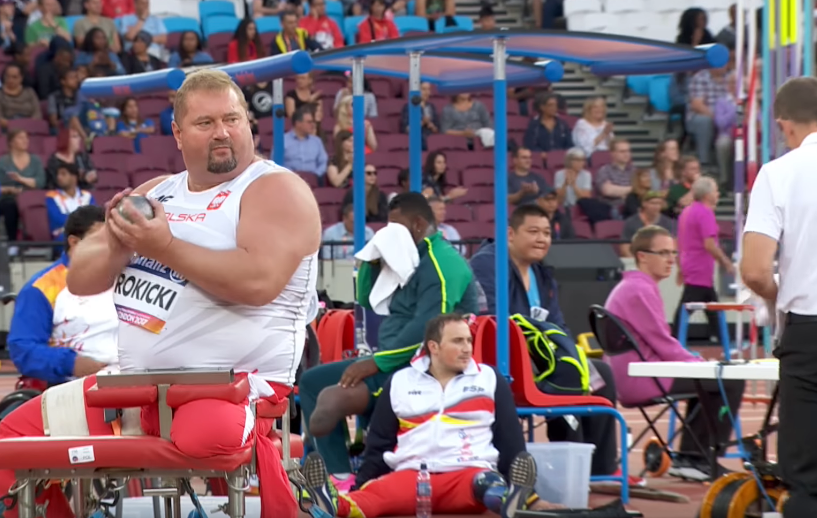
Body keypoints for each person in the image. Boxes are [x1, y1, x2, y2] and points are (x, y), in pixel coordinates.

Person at [0, 69, 321, 518]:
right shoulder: (156, 192)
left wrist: (161, 245)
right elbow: (80, 278)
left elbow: (257, 283)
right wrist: (117, 243)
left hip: (229, 389)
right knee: (13, 438)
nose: (222, 132)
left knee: (206, 437)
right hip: (132, 391)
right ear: (178, 134)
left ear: (248, 122)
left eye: (232, 119)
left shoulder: (274, 189)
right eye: (206, 123)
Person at [300, 192, 477, 491]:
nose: (390, 233)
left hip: (420, 365)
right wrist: (373, 258)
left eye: (397, 226)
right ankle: (339, 475)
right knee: (312, 382)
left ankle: (357, 468)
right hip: (390, 358)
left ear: (419, 224)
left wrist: (377, 362)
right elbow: (367, 299)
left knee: (331, 398)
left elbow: (432, 330)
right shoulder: (407, 256)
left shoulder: (442, 263)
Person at [305, 314, 561, 517]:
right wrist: (363, 483)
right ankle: (331, 504)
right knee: (369, 499)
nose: (467, 348)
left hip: (467, 474)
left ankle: (513, 500)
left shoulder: (489, 378)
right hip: (411, 476)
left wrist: (532, 496)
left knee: (490, 486)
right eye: (457, 341)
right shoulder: (400, 382)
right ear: (434, 347)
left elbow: (510, 441)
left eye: (468, 340)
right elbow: (379, 445)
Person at [469, 205, 622, 482]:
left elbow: (559, 325)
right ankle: (570, 473)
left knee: (601, 376)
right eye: (533, 231)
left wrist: (571, 354)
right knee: (568, 377)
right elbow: (489, 322)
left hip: (545, 359)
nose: (542, 239)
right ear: (510, 234)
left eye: (547, 233)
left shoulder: (543, 274)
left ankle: (599, 470)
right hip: (508, 362)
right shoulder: (487, 264)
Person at [607, 225, 744, 481]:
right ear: (642, 256)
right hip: (641, 378)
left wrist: (697, 364)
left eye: (673, 253)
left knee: (708, 381)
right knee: (730, 380)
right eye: (664, 253)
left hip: (637, 373)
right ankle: (699, 458)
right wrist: (700, 363)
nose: (672, 260)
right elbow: (662, 342)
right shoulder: (639, 290)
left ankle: (693, 457)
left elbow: (660, 343)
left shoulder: (634, 287)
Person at [741, 76, 817, 518]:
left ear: (784, 125)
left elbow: (754, 269)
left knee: (806, 476)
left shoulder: (778, 173)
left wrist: (781, 292)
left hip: (808, 329)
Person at [7, 205, 117, 389]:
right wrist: (71, 364)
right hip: (76, 388)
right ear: (74, 243)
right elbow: (22, 349)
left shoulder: (127, 276)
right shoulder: (42, 288)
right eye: (100, 241)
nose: (109, 248)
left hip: (134, 382)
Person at [673, 176, 733, 344]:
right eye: (715, 190)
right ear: (707, 194)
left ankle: (720, 339)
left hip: (691, 265)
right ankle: (676, 340)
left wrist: (679, 266)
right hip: (699, 267)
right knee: (691, 306)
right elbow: (709, 244)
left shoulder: (687, 211)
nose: (718, 193)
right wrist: (725, 262)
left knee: (711, 306)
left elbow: (680, 240)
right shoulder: (705, 213)